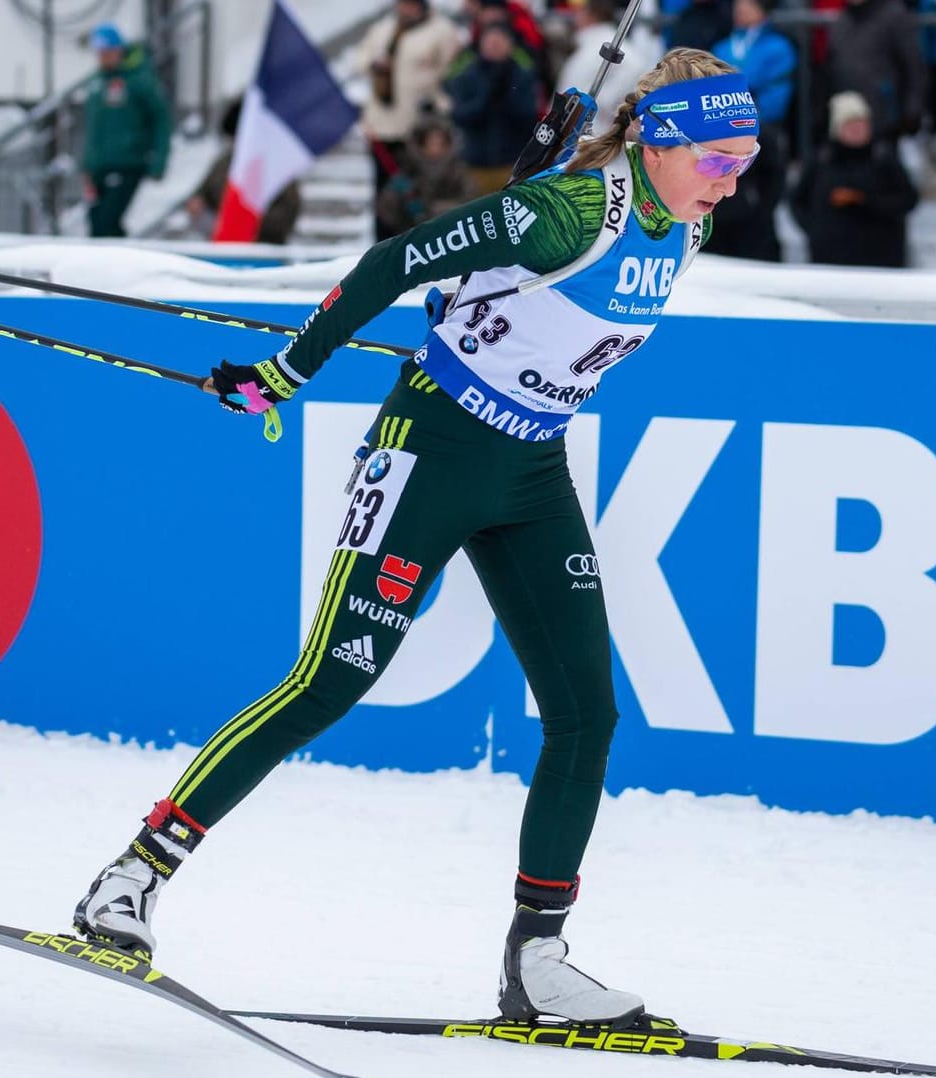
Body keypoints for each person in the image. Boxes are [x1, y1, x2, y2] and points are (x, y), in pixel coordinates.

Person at [72, 47, 758, 1028]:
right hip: (433, 448)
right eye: (718, 156)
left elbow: (513, 299)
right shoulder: (566, 212)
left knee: (587, 712)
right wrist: (286, 372)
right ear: (656, 137)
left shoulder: (682, 221)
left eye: (745, 156)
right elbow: (398, 260)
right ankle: (129, 878)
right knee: (331, 680)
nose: (733, 178)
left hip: (530, 467)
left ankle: (538, 960)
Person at [357, 0, 465, 241]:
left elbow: (451, 70)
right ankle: (382, 244)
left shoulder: (441, 31)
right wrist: (374, 65)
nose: (406, 10)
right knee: (386, 193)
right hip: (384, 127)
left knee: (419, 193)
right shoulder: (384, 28)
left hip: (419, 131)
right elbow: (361, 59)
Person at [709, 0, 797, 260]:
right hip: (721, 132)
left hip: (760, 128)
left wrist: (741, 111)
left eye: (748, 4)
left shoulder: (778, 47)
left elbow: (775, 94)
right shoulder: (722, 45)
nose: (740, 9)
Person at [790, 90, 919, 266]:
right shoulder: (822, 160)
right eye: (850, 124)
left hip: (881, 261)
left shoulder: (883, 157)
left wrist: (865, 201)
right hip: (830, 261)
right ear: (837, 128)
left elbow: (908, 199)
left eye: (862, 123)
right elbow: (797, 200)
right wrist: (816, 229)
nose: (858, 130)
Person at [80, 23, 172, 238]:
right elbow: (93, 129)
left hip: (127, 163)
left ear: (118, 50)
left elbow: (161, 120)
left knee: (108, 221)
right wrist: (87, 165)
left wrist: (159, 160)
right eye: (99, 52)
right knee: (96, 222)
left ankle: (119, 265)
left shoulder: (139, 80)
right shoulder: (97, 83)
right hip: (99, 166)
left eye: (107, 51)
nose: (102, 57)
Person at [446, 20, 545, 195]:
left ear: (510, 45)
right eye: (490, 42)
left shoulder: (522, 75)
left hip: (512, 162)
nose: (494, 47)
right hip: (475, 163)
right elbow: (459, 115)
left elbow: (529, 116)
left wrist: (507, 93)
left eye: (499, 42)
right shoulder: (466, 75)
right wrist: (486, 98)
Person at [185, 100, 301, 244]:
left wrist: (246, 222)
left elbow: (287, 212)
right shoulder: (224, 163)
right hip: (225, 247)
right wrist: (197, 203)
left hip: (264, 249)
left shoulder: (275, 165)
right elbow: (203, 192)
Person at [827, 0, 927, 146]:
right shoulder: (841, 19)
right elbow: (832, 68)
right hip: (845, 121)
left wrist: (912, 111)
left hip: (885, 120)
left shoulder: (895, 15)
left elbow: (914, 67)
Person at [556, 0, 660, 135]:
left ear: (591, 13)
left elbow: (636, 68)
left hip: (593, 133)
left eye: (580, 12)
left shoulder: (607, 43)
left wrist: (604, 103)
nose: (576, 17)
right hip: (575, 132)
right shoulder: (586, 43)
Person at [374, 111, 476, 235]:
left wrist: (439, 210)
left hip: (451, 233)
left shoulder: (458, 171)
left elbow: (471, 201)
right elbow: (386, 208)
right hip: (412, 235)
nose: (435, 148)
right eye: (431, 142)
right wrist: (404, 203)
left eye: (440, 143)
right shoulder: (408, 170)